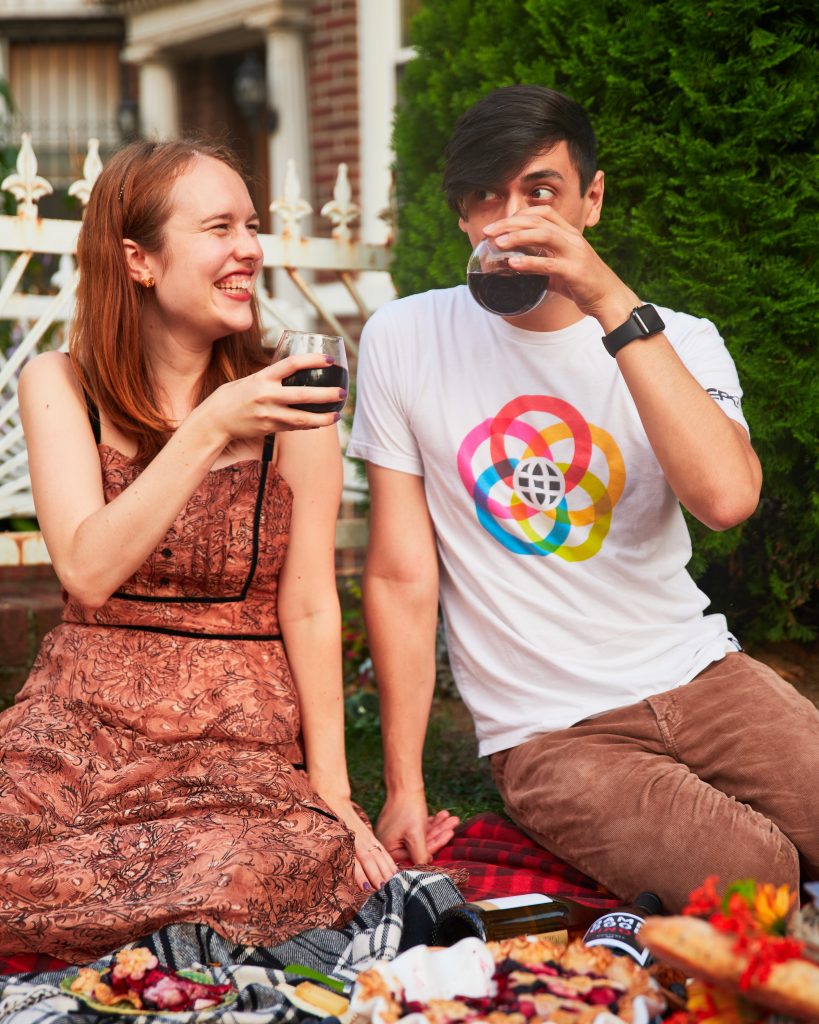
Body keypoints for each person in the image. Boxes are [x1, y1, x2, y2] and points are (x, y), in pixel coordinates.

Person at [348, 85, 819, 912]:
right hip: (551, 729)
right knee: (760, 883)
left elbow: (725, 499)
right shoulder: (406, 337)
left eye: (537, 191)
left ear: (589, 200)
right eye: (485, 196)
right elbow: (396, 577)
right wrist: (403, 786)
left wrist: (608, 302)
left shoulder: (679, 336)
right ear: (461, 215)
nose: (508, 218)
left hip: (704, 675)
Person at [0, 137, 451, 962]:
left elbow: (311, 601)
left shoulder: (292, 393)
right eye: (218, 227)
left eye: (251, 224)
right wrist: (209, 428)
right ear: (139, 260)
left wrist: (335, 796)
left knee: (243, 873)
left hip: (232, 741)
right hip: (77, 723)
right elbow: (87, 571)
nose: (248, 247)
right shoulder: (59, 384)